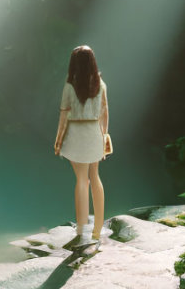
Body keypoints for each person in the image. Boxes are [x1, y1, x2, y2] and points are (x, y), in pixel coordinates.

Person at [53, 45, 109, 244]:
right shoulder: (100, 84)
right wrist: (104, 137)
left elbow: (63, 116)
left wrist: (58, 141)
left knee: (81, 180)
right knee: (95, 177)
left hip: (76, 134)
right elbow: (105, 114)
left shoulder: (69, 86)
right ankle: (98, 228)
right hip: (94, 133)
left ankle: (80, 229)